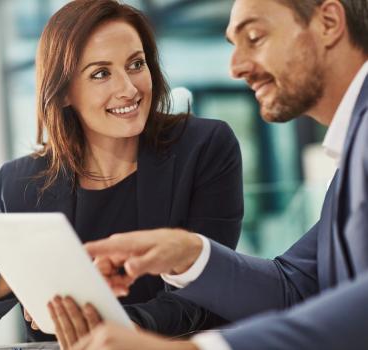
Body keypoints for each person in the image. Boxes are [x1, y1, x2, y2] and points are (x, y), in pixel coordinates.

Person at [49, 0, 368, 349]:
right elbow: (295, 287)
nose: (236, 67)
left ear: (328, 22)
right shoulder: (352, 155)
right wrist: (189, 254)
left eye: (255, 37)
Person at [0, 0, 244, 348]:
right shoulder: (21, 182)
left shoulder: (204, 147)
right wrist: (21, 272)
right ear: (64, 92)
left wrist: (108, 329)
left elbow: (205, 295)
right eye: (101, 73)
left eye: (136, 64)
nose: (128, 88)